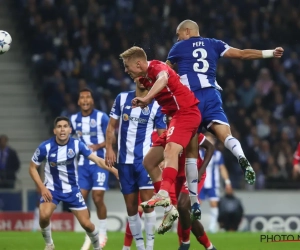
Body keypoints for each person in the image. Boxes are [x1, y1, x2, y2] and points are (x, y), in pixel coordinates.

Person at [166, 19, 284, 185]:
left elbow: (165, 72)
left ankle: (193, 202)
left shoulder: (178, 47)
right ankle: (240, 156)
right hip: (212, 94)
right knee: (226, 135)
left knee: (191, 149)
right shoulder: (215, 43)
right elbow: (242, 54)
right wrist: (270, 53)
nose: (177, 39)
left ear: (187, 31)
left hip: (191, 98)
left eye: (178, 36)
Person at [119, 46, 202, 222]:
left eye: (127, 66)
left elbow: (164, 77)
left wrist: (147, 98)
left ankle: (163, 193)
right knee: (149, 161)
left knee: (170, 150)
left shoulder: (157, 68)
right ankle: (170, 208)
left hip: (186, 113)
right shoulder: (146, 77)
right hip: (176, 118)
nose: (126, 70)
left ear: (139, 63)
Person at [29, 116, 118, 250]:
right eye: (59, 127)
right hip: (52, 189)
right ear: (55, 131)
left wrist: (115, 171)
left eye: (65, 126)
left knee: (87, 224)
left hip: (72, 191)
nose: (62, 129)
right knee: (43, 216)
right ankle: (49, 244)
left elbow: (97, 160)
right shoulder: (45, 147)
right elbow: (32, 168)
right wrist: (42, 188)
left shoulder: (77, 145)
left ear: (70, 130)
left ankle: (97, 247)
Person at [105, 77, 166, 250]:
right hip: (124, 162)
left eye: (146, 78)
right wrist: (109, 148)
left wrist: (161, 159)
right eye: (139, 77)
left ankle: (150, 247)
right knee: (131, 208)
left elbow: (163, 136)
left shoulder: (156, 105)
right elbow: (111, 126)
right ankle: (139, 246)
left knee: (148, 205)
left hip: (144, 163)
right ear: (134, 78)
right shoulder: (122, 98)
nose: (142, 81)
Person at [154, 117, 217, 250]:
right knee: (185, 214)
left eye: (172, 119)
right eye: (168, 120)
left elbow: (210, 148)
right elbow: (155, 155)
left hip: (193, 174)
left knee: (182, 207)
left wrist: (201, 171)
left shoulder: (189, 132)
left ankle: (185, 243)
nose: (170, 122)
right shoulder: (164, 136)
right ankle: (209, 246)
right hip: (177, 177)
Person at [70, 88, 110, 249]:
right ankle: (90, 233)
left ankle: (103, 232)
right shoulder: (73, 119)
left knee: (98, 197)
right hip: (83, 164)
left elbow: (112, 136)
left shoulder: (102, 117)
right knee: (80, 199)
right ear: (78, 102)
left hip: (100, 162)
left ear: (92, 101)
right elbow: (69, 138)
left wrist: (98, 146)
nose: (85, 100)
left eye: (88, 97)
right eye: (82, 97)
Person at [199, 133, 233, 233]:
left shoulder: (217, 154)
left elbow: (222, 168)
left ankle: (212, 227)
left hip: (213, 185)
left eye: (211, 141)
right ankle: (193, 226)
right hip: (200, 183)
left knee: (214, 204)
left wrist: (227, 182)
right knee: (197, 204)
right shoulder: (199, 153)